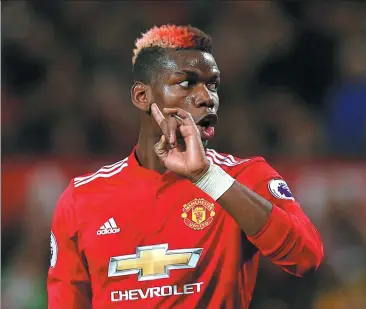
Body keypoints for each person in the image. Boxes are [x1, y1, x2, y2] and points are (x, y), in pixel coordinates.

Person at [47, 24, 324, 309]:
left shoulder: (244, 178)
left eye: (212, 84)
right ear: (142, 97)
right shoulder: (82, 198)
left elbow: (306, 257)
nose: (207, 98)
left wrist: (207, 178)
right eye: (186, 83)